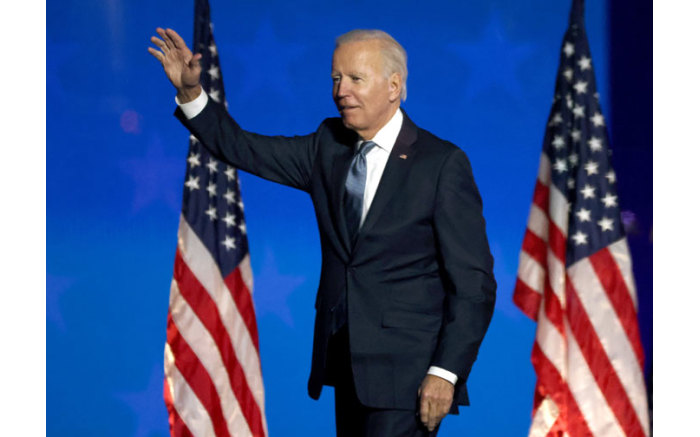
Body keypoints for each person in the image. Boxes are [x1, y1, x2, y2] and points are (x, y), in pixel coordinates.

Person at [149, 26, 496, 437]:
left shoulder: (441, 164)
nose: (341, 90)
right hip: (345, 364)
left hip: (409, 376)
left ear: (394, 86)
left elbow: (474, 284)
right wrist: (192, 94)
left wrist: (446, 371)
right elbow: (241, 147)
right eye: (336, 79)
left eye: (355, 79)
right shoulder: (327, 145)